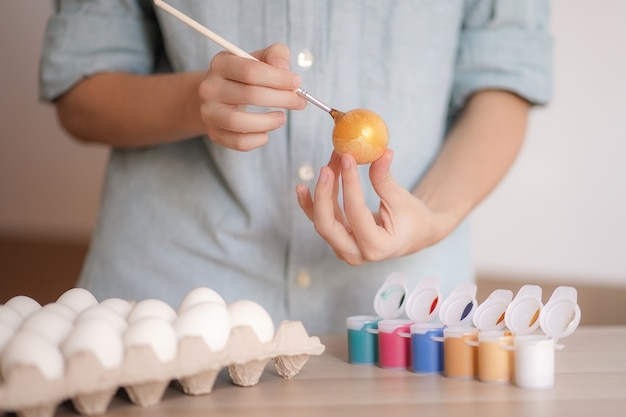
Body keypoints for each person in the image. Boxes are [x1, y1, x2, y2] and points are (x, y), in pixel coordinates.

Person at [39, 0, 552, 334]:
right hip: (171, 310)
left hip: (399, 312)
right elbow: (80, 90)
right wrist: (197, 102)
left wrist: (433, 215)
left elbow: (503, 81)